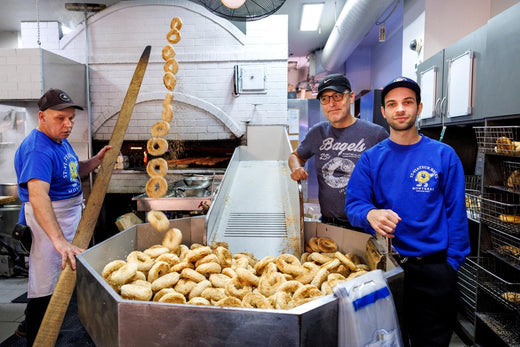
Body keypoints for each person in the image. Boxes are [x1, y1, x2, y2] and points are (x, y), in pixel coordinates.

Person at [345, 76, 470, 346]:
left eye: (407, 102)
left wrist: (451, 265)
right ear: (384, 112)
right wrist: (370, 214)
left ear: (419, 107)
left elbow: (456, 214)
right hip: (388, 269)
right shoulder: (371, 159)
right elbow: (353, 205)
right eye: (392, 104)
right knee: (388, 340)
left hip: (435, 270)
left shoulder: (443, 155)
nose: (400, 109)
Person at [14, 88, 111, 346]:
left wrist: (94, 162)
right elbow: (38, 197)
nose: (68, 125)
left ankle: (31, 325)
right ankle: (37, 336)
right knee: (45, 286)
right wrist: (58, 241)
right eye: (61, 118)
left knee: (63, 281)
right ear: (42, 116)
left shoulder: (59, 141)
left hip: (70, 220)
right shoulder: (38, 149)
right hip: (49, 224)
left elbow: (71, 169)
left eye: (71, 119)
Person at [288, 73, 388, 229]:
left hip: (366, 225)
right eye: (325, 99)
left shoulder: (376, 134)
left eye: (337, 96)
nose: (331, 104)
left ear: (351, 97)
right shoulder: (318, 132)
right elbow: (296, 156)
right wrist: (296, 168)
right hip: (329, 223)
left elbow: (391, 177)